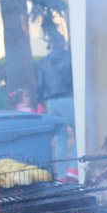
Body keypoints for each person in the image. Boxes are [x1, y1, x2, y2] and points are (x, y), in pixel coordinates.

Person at [36, 33, 76, 180]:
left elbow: (40, 85)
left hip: (51, 102)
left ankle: (60, 175)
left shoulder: (43, 62)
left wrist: (40, 102)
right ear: (63, 42)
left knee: (60, 138)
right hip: (68, 98)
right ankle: (73, 168)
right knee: (78, 134)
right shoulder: (70, 57)